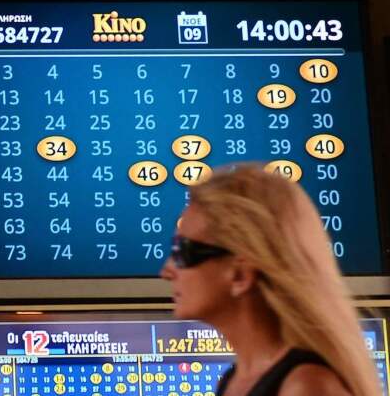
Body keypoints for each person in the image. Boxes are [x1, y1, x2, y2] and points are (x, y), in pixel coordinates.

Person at [161, 165, 378, 396]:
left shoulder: (306, 386)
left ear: (241, 275)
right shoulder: (234, 380)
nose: (166, 271)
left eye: (182, 252)